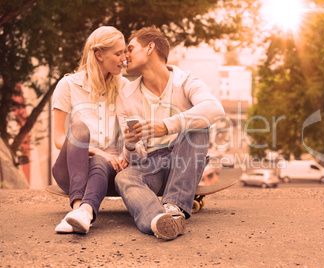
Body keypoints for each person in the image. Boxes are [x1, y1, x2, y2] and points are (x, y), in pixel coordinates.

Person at [115, 26, 225, 240]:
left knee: (199, 125)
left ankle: (174, 207)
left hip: (184, 161)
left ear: (150, 48)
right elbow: (135, 158)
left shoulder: (186, 81)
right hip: (152, 165)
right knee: (123, 178)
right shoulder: (125, 96)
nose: (125, 56)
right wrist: (130, 145)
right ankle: (159, 221)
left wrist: (167, 126)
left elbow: (214, 108)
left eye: (130, 49)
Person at [52, 26, 129, 234]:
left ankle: (80, 214)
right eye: (118, 53)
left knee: (100, 161)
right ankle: (78, 207)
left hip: (108, 172)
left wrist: (122, 155)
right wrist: (96, 151)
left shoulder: (124, 86)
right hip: (70, 170)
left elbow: (131, 131)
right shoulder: (67, 85)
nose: (125, 58)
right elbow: (59, 139)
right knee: (78, 130)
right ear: (99, 55)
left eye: (125, 52)